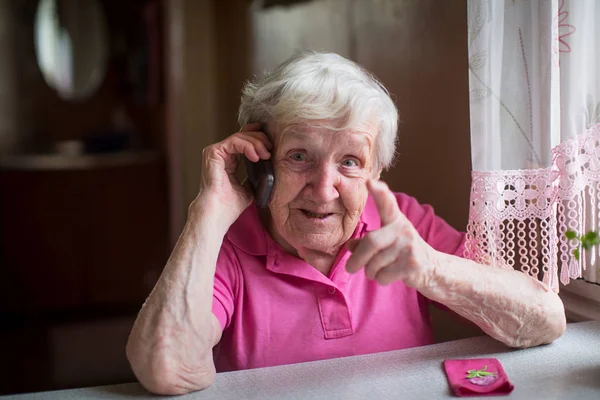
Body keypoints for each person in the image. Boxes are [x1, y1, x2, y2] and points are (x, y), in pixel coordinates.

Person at [126, 51, 566, 395]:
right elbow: (168, 369)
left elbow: (545, 319)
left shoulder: (404, 225)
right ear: (261, 164)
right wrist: (208, 211)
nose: (323, 188)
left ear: (376, 172)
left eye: (350, 162)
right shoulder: (226, 244)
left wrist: (430, 269)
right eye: (299, 156)